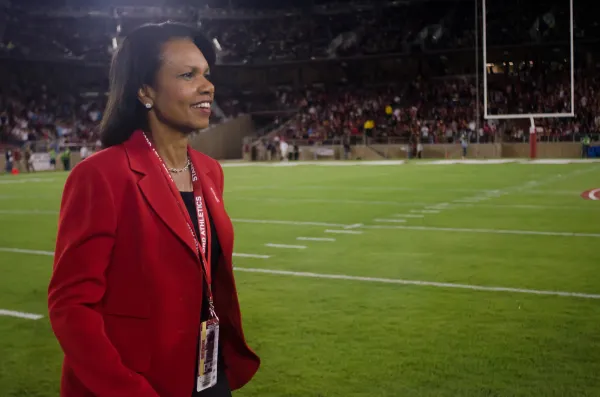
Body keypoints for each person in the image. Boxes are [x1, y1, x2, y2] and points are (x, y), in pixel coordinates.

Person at [47, 21, 260, 397]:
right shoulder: (101, 176)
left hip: (207, 372)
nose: (207, 85)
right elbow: (71, 306)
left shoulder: (209, 172)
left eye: (206, 74)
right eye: (187, 74)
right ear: (145, 90)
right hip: (137, 381)